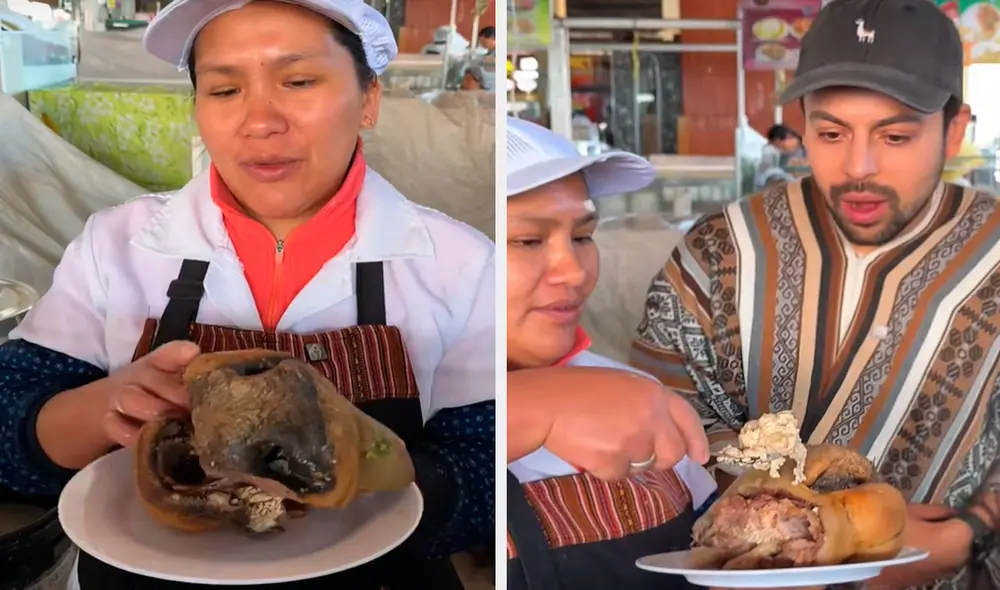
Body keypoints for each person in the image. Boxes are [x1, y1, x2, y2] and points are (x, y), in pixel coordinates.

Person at [0, 1, 494, 589]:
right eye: (224, 90)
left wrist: (383, 464)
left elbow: (487, 471)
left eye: (299, 80)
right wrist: (96, 408)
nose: (260, 121)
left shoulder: (462, 263)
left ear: (368, 100)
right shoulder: (116, 245)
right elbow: (11, 421)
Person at [630, 1, 1000, 588]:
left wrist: (967, 535)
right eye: (830, 132)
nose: (859, 166)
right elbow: (657, 416)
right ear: (800, 122)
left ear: (955, 130)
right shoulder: (721, 249)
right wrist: (780, 523)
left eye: (896, 135)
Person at [505, 116, 716, 589]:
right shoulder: (431, 394)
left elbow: (711, 555)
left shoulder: (634, 395)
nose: (574, 272)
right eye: (528, 241)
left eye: (582, 236)